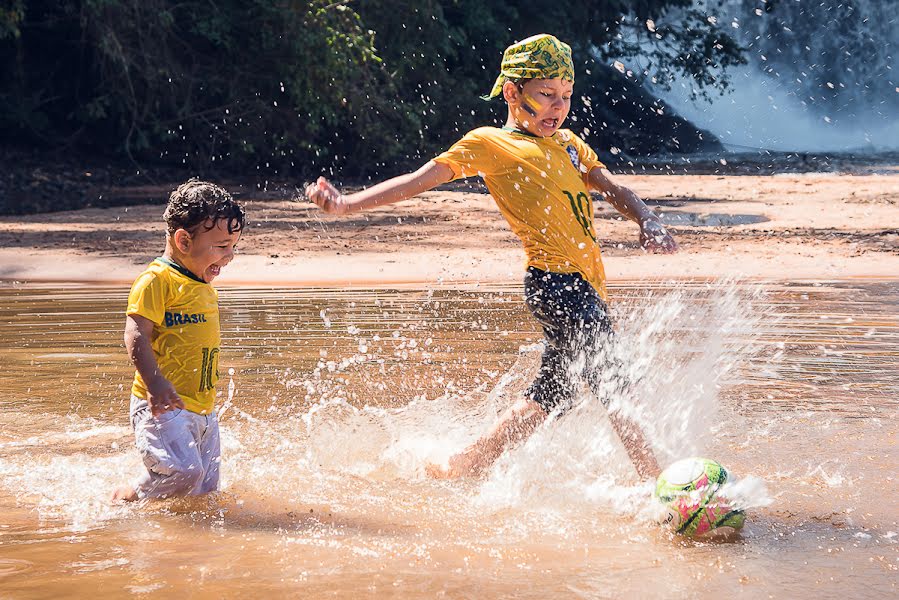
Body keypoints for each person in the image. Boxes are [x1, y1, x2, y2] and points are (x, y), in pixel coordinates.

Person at [305, 34, 676, 480]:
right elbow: (420, 179)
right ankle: (661, 486)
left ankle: (464, 465)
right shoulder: (491, 143)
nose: (557, 107)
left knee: (553, 393)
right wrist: (347, 205)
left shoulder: (570, 145)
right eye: (546, 95)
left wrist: (647, 219)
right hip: (557, 284)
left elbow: (613, 186)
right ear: (512, 92)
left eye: (566, 96)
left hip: (580, 286)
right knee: (614, 380)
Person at [112, 179, 245, 502]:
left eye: (234, 247)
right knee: (184, 473)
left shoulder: (201, 283)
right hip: (160, 404)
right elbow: (136, 333)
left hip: (202, 408)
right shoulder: (156, 279)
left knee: (204, 490)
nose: (229, 257)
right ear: (184, 241)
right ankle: (129, 496)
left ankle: (190, 543)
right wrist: (155, 383)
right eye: (222, 246)